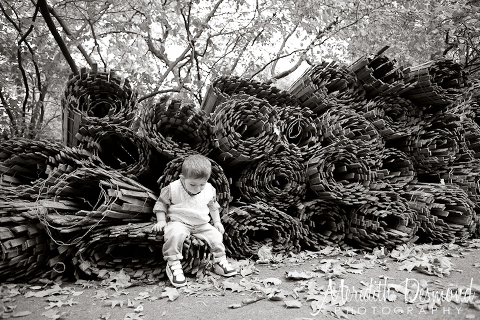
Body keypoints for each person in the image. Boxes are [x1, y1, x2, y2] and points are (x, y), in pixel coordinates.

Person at [151, 154, 237, 287]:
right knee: (174, 234)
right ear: (182, 178)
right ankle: (173, 263)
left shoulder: (209, 190)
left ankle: (219, 260)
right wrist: (161, 221)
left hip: (201, 223)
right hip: (179, 221)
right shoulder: (173, 188)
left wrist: (217, 222)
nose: (198, 188)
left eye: (202, 184)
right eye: (193, 184)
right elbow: (161, 204)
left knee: (215, 236)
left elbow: (213, 207)